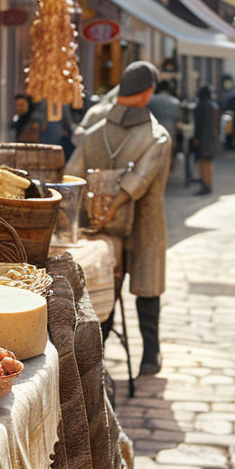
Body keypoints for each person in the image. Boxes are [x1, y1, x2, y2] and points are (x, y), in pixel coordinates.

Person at [66, 61, 171, 375]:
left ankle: (97, 360)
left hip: (99, 226)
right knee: (147, 287)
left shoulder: (95, 130)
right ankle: (150, 356)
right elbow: (139, 180)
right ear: (148, 93)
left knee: (103, 288)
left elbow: (72, 173)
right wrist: (116, 202)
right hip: (144, 222)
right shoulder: (157, 135)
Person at [190, 84, 219, 196]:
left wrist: (196, 138)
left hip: (203, 138)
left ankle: (205, 185)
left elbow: (198, 124)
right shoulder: (214, 107)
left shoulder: (200, 107)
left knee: (203, 162)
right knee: (209, 162)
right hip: (212, 137)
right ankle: (208, 184)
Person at [147, 80, 181, 159]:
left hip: (153, 133)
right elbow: (178, 119)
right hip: (170, 133)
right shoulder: (175, 102)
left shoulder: (151, 100)